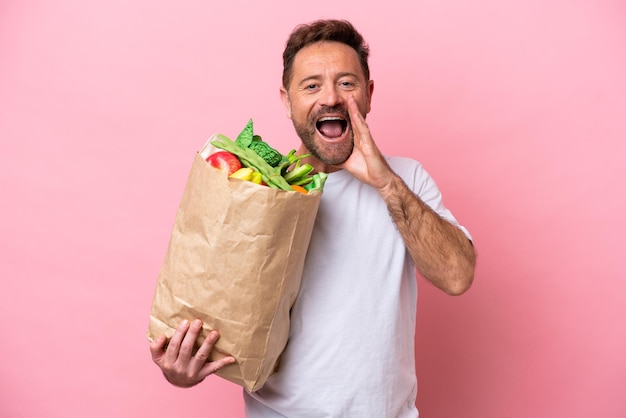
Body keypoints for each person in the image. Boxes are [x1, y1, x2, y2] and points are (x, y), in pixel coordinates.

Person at [150, 19, 476, 417]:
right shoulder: (255, 191)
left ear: (369, 94)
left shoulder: (406, 179)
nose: (331, 98)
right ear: (287, 100)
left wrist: (386, 184)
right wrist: (182, 370)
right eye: (311, 86)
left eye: (347, 83)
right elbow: (212, 313)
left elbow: (458, 276)